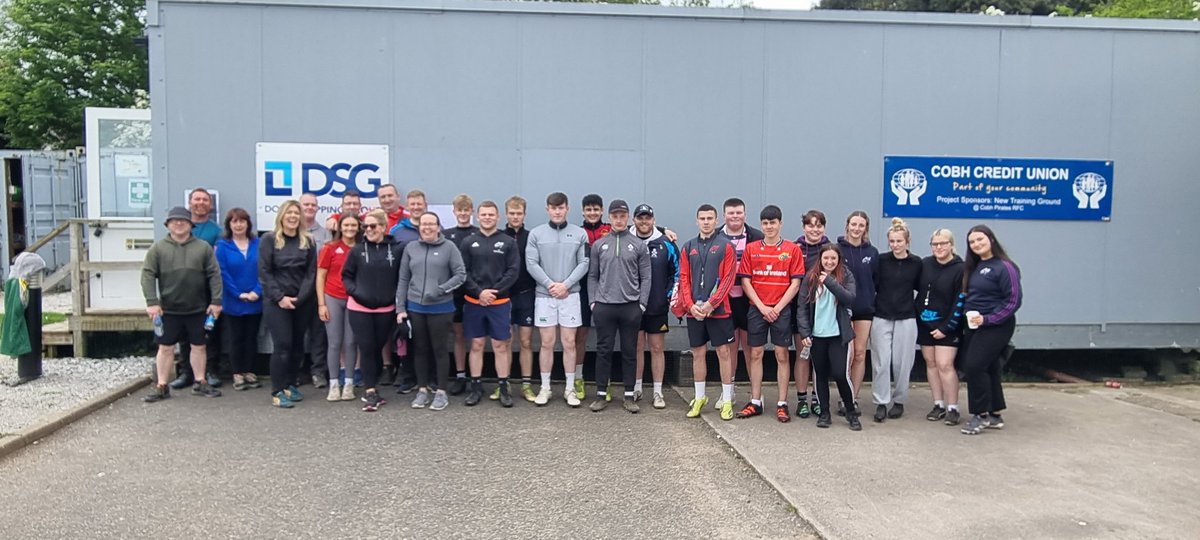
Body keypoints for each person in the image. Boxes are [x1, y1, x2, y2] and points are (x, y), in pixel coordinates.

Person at [141, 206, 223, 402]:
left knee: (199, 346)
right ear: (168, 224)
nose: (179, 224)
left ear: (190, 225)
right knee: (165, 347)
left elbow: (214, 275)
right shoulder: (158, 248)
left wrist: (216, 301)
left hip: (198, 308)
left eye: (183, 221)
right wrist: (152, 302)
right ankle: (162, 385)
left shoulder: (203, 247)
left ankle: (200, 382)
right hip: (168, 309)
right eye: (174, 221)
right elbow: (147, 274)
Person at [734, 205, 803, 422]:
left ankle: (782, 403)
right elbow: (745, 281)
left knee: (782, 355)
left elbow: (795, 283)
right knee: (755, 354)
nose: (769, 227)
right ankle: (756, 401)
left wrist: (777, 308)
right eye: (765, 223)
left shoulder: (792, 249)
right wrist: (762, 307)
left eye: (773, 222)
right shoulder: (752, 249)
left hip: (781, 311)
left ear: (780, 224)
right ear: (761, 225)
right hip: (757, 310)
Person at [396, 212, 467, 411]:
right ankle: (422, 389)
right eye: (423, 224)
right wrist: (400, 308)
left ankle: (441, 392)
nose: (427, 228)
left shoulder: (449, 247)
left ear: (438, 227)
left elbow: (461, 274)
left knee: (440, 349)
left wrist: (441, 289)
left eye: (431, 224)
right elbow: (402, 279)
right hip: (415, 307)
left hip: (441, 308)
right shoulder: (411, 248)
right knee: (419, 349)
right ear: (419, 227)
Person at [586, 199, 651, 413]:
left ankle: (629, 396)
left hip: (630, 306)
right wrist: (593, 302)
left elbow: (646, 277)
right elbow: (593, 276)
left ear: (628, 218)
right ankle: (601, 394)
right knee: (603, 350)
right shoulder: (599, 245)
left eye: (623, 216)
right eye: (615, 216)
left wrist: (641, 304)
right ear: (610, 218)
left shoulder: (639, 245)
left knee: (629, 351)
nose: (619, 219)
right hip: (604, 306)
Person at [525, 192, 589, 407]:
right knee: (547, 343)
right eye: (554, 208)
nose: (557, 211)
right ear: (547, 209)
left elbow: (584, 263)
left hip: (570, 295)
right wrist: (551, 285)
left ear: (567, 208)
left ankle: (570, 389)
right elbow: (532, 264)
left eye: (561, 207)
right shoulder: (536, 234)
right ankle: (545, 388)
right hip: (545, 297)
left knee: (570, 343)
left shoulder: (580, 234)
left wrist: (566, 285)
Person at [959, 225, 1022, 435]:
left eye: (980, 239)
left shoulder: (1005, 267)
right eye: (972, 242)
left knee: (974, 366)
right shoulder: (976, 266)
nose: (976, 244)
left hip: (996, 326)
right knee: (991, 367)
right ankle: (995, 413)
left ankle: (980, 415)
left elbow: (1013, 301)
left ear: (991, 240)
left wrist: (988, 319)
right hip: (975, 325)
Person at [677, 204, 738, 421]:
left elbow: (729, 279)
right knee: (698, 354)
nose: (706, 222)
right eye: (702, 218)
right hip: (695, 312)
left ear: (716, 220)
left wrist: (712, 304)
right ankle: (700, 397)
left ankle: (727, 399)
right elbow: (683, 277)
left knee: (723, 353)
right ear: (696, 221)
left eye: (710, 218)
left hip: (719, 311)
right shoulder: (688, 247)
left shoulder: (726, 246)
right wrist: (690, 304)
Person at [341, 210, 405, 412]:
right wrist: (356, 292)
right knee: (366, 346)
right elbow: (347, 276)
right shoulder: (358, 250)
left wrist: (395, 298)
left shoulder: (397, 249)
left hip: (386, 308)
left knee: (377, 347)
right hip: (359, 307)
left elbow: (402, 277)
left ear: (383, 227)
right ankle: (370, 391)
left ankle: (374, 383)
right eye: (365, 226)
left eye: (373, 226)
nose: (368, 230)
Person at [459, 201, 520, 407]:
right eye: (483, 214)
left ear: (498, 217)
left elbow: (513, 271)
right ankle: (475, 387)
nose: (487, 218)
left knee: (500, 346)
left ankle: (503, 387)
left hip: (499, 302)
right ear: (477, 217)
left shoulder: (508, 242)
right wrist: (479, 292)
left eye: (491, 215)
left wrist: (493, 293)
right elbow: (462, 272)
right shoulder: (468, 242)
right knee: (476, 344)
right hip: (474, 301)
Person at [795, 244, 861, 431]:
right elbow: (802, 307)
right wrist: (805, 332)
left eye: (833, 259)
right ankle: (824, 413)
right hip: (817, 336)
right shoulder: (810, 277)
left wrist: (830, 282)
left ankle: (851, 412)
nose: (829, 262)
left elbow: (849, 298)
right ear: (820, 259)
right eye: (826, 258)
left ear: (838, 259)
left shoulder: (845, 275)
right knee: (820, 375)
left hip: (838, 336)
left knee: (841, 374)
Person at [259, 200, 317, 408]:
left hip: (302, 302)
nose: (293, 216)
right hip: (277, 303)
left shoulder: (308, 241)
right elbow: (265, 272)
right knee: (282, 345)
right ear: (281, 216)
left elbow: (311, 273)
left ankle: (290, 384)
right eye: (289, 213)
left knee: (297, 345)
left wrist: (301, 298)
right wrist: (280, 298)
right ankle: (277, 390)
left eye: (296, 213)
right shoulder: (269, 239)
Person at [869, 218, 922, 422]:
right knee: (881, 361)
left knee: (902, 362)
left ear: (907, 241)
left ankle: (899, 400)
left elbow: (922, 288)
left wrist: (914, 308)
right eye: (892, 241)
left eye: (899, 241)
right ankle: (881, 401)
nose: (895, 245)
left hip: (906, 317)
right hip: (881, 315)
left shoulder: (916, 263)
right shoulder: (881, 261)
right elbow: (873, 285)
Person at [169, 187, 223, 390]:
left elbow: (215, 262)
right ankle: (186, 373)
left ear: (210, 204)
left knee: (209, 331)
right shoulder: (182, 228)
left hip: (207, 290)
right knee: (184, 334)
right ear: (190, 203)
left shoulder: (216, 231)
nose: (200, 203)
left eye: (204, 200)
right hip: (183, 290)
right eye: (196, 199)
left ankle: (211, 371)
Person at [632, 204, 679, 409]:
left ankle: (658, 392)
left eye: (647, 218)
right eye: (640, 218)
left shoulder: (666, 243)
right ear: (634, 220)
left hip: (657, 306)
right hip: (632, 306)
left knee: (657, 348)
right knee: (636, 347)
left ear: (653, 220)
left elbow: (676, 273)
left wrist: (667, 298)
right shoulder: (626, 241)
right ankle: (636, 387)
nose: (644, 222)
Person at [719, 198, 764, 401]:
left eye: (738, 213)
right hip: (725, 300)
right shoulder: (716, 236)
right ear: (724, 215)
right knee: (729, 349)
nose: (735, 216)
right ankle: (729, 392)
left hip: (749, 301)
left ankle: (756, 395)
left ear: (745, 214)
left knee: (750, 348)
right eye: (731, 213)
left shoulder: (757, 237)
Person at [918, 228, 965, 426]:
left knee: (945, 364)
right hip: (925, 324)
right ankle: (938, 404)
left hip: (948, 326)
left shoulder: (961, 269)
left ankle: (952, 407)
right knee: (931, 363)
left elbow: (960, 301)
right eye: (935, 244)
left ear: (951, 245)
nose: (938, 247)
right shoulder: (925, 264)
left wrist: (946, 328)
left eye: (943, 243)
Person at [214, 208, 263, 392]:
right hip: (233, 301)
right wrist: (238, 294)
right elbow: (223, 273)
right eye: (234, 221)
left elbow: (264, 270)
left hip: (255, 299)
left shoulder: (258, 244)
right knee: (236, 338)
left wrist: (257, 291)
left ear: (248, 224)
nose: (239, 225)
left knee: (252, 337)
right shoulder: (223, 246)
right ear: (229, 225)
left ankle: (250, 370)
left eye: (242, 221)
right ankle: (237, 373)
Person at [791, 209, 831, 418]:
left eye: (819, 225)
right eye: (810, 225)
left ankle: (818, 399)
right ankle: (801, 400)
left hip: (825, 313)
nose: (815, 229)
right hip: (802, 311)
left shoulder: (831, 249)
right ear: (804, 227)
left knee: (820, 358)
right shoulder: (795, 248)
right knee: (802, 354)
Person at [318, 214, 362, 402]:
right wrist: (321, 304)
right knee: (335, 343)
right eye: (346, 225)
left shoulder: (361, 249)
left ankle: (349, 383)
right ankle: (334, 384)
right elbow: (320, 276)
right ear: (340, 227)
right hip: (332, 297)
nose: (350, 228)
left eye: (353, 225)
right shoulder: (330, 248)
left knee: (351, 343)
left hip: (354, 299)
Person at [500, 195, 539, 403]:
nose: (515, 217)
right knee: (505, 341)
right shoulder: (498, 236)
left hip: (526, 295)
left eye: (519, 213)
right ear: (507, 214)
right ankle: (503, 383)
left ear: (524, 214)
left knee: (525, 341)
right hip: (504, 297)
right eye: (512, 213)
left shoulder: (531, 237)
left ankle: (526, 385)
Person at [837, 211, 877, 416]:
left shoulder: (872, 252)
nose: (856, 228)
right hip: (843, 308)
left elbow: (876, 282)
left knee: (860, 353)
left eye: (861, 225)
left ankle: (853, 398)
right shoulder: (838, 250)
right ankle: (843, 395)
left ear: (865, 228)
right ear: (847, 225)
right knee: (847, 355)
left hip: (864, 310)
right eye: (853, 224)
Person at [386, 189, 427, 388]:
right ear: (408, 207)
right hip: (403, 289)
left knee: (424, 335)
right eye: (413, 204)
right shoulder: (397, 230)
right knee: (404, 333)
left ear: (425, 205)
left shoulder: (433, 227)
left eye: (419, 204)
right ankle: (405, 373)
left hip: (427, 291)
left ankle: (427, 377)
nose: (416, 207)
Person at [444, 194, 480, 396]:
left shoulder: (478, 233)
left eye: (467, 210)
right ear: (454, 212)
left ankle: (477, 377)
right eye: (460, 210)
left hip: (475, 293)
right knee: (458, 335)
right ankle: (460, 375)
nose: (463, 213)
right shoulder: (446, 235)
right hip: (454, 294)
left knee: (477, 338)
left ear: (472, 211)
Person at [575, 193, 610, 400]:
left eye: (596, 209)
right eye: (588, 209)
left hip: (606, 291)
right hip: (581, 291)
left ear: (602, 210)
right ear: (583, 211)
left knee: (606, 339)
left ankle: (604, 382)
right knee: (581, 336)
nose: (592, 213)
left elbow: (636, 230)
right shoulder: (576, 232)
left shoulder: (610, 230)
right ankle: (578, 379)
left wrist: (663, 230)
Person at [300, 192, 330, 388]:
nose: (310, 208)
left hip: (319, 291)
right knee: (298, 334)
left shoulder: (325, 233)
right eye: (306, 205)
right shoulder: (292, 230)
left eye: (313, 205)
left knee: (319, 334)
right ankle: (299, 371)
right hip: (297, 290)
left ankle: (318, 371)